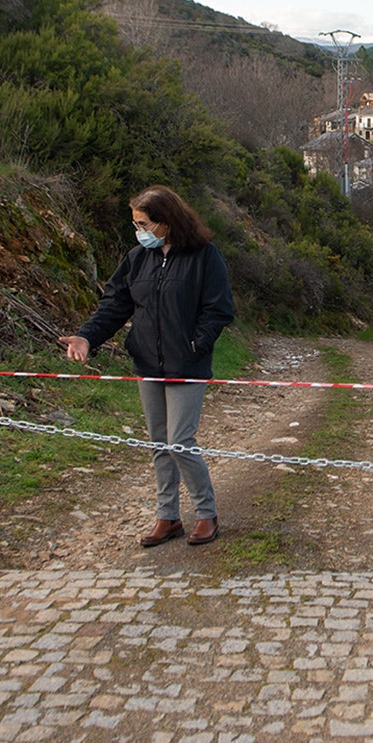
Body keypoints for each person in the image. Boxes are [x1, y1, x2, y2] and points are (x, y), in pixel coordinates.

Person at [59, 185, 235, 547]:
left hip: (187, 366)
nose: (139, 231)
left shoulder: (205, 256)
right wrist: (87, 337)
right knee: (159, 444)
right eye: (135, 224)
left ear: (166, 222)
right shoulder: (136, 258)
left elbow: (219, 309)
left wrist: (196, 344)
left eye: (144, 224)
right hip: (148, 364)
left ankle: (207, 514)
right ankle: (168, 517)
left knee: (179, 442)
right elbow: (114, 305)